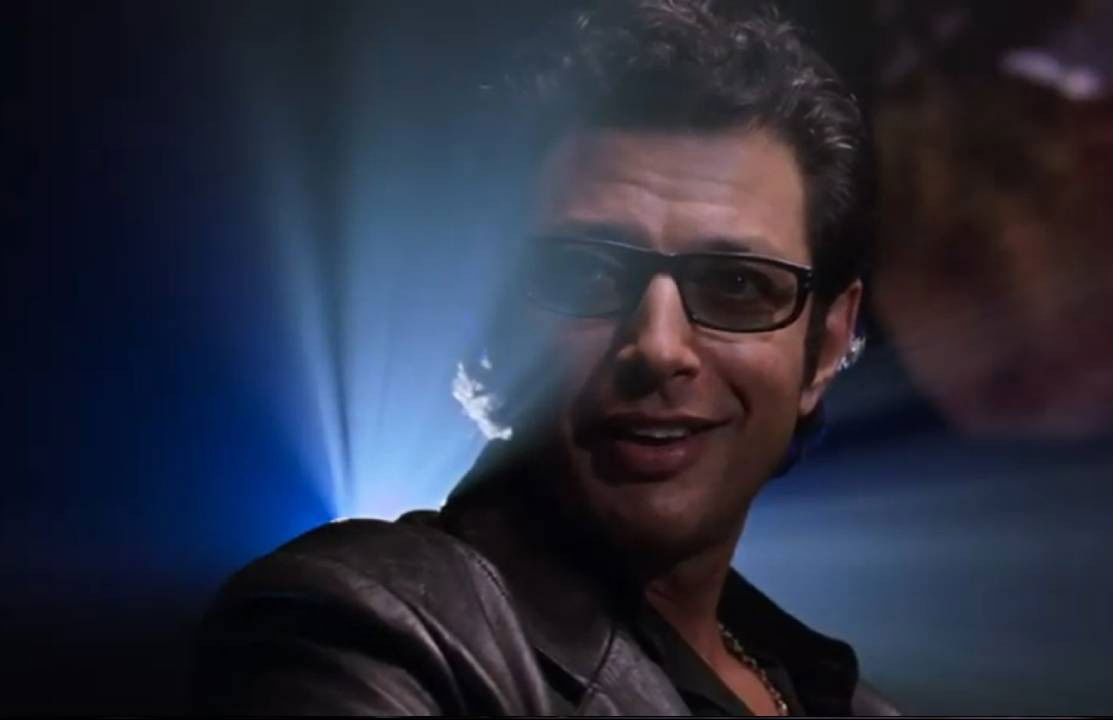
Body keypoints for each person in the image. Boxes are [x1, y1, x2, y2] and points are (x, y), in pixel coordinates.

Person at [193, 1, 901, 715]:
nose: (659, 347)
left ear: (826, 346)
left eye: (738, 285)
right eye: (585, 273)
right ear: (490, 317)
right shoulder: (359, 628)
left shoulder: (845, 700)